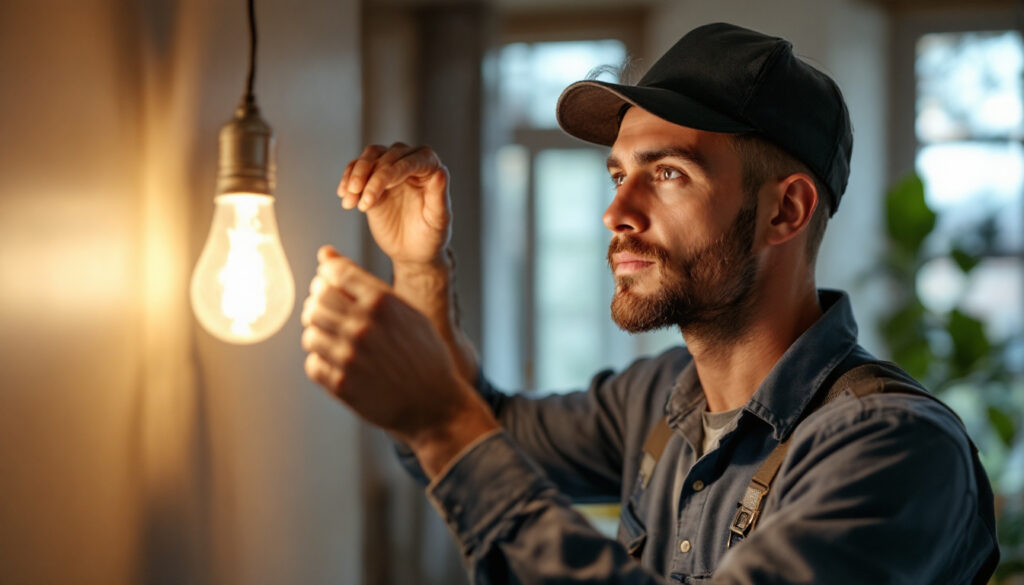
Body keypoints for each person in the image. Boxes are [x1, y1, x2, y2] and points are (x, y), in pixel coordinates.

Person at [300, 22, 999, 584]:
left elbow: (457, 432)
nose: (616, 212)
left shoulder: (892, 448)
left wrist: (444, 424)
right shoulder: (659, 398)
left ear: (785, 211)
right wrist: (421, 267)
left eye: (667, 173)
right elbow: (479, 436)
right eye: (617, 173)